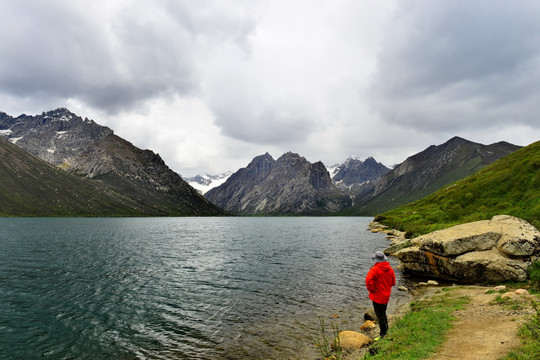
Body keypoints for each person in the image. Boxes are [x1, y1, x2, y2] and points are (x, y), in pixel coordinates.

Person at [365, 250, 396, 339]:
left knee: (380, 316)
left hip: (377, 296)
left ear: (376, 260)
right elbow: (393, 282)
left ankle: (383, 335)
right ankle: (386, 330)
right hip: (386, 296)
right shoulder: (390, 268)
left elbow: (368, 280)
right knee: (383, 313)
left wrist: (372, 290)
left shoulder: (375, 269)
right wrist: (387, 287)